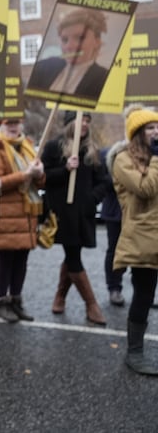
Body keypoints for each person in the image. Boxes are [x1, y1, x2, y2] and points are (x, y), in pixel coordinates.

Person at [42, 111, 108, 326]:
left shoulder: (91, 150)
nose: (86, 124)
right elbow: (44, 178)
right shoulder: (54, 147)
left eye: (88, 121)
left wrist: (92, 199)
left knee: (73, 254)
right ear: (70, 123)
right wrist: (65, 169)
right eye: (82, 120)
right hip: (62, 213)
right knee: (73, 256)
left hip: (83, 213)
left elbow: (104, 181)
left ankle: (60, 296)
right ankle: (91, 304)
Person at [0, 118, 45, 323]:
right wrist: (26, 174)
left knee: (22, 259)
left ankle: (16, 301)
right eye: (9, 122)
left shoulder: (26, 145)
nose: (13, 126)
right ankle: (3, 303)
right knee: (6, 258)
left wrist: (39, 174)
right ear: (0, 124)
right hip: (5, 211)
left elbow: (39, 180)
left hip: (25, 212)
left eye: (17, 122)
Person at [110, 107, 158, 375]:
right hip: (142, 236)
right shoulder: (123, 159)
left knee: (148, 292)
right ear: (138, 133)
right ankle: (135, 352)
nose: (156, 132)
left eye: (157, 127)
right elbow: (146, 188)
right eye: (150, 128)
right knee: (144, 292)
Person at [28, 7, 109, 101]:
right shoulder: (42, 67)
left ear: (97, 42)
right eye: (64, 40)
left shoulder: (105, 78)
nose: (69, 46)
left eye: (80, 38)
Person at [101, 142, 126, 306]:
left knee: (144, 250)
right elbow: (103, 179)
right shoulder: (113, 152)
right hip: (116, 211)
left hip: (142, 212)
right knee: (115, 250)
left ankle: (145, 291)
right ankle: (114, 288)